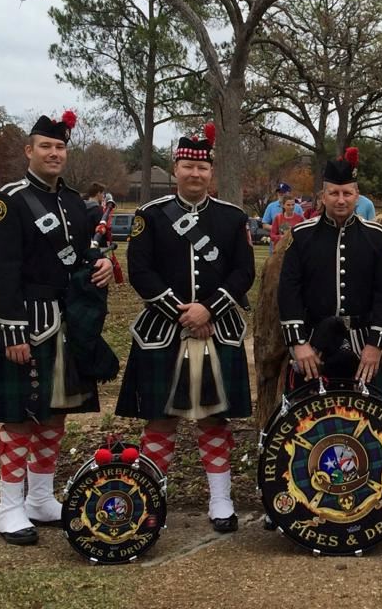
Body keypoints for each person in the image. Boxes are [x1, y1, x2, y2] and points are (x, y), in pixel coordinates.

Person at [0, 110, 115, 545]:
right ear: (29, 151)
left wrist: (104, 266)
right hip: (27, 321)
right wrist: (13, 330)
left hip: (67, 321)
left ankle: (40, 497)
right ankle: (9, 507)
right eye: (46, 146)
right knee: (19, 417)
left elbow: (79, 259)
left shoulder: (76, 203)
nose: (54, 153)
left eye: (59, 147)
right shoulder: (10, 201)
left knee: (56, 412)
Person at [115, 122, 255, 534]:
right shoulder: (150, 216)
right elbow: (141, 272)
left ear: (211, 172)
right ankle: (151, 496)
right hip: (164, 330)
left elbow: (244, 271)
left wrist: (208, 309)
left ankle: (221, 499)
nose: (195, 175)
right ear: (175, 168)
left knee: (215, 419)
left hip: (219, 329)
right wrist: (182, 312)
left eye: (203, 169)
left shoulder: (232, 218)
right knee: (160, 418)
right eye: (187, 167)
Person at [278, 147, 382, 392]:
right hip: (313, 343)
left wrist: (375, 346)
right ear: (323, 195)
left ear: (357, 195)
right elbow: (289, 292)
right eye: (333, 193)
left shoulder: (375, 236)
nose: (340, 199)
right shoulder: (301, 235)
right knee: (307, 421)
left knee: (371, 422)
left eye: (346, 193)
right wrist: (298, 343)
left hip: (363, 343)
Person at [262, 183, 303, 253]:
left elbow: (302, 227)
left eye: (283, 192)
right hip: (277, 245)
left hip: (293, 247)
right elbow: (264, 225)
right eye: (279, 192)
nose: (280, 194)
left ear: (289, 193)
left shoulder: (298, 208)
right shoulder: (271, 206)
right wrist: (280, 229)